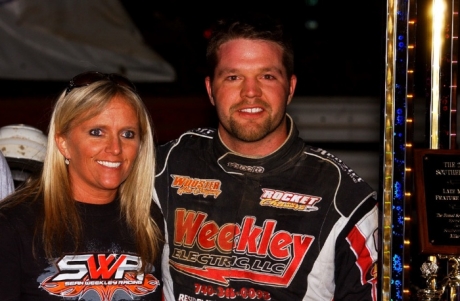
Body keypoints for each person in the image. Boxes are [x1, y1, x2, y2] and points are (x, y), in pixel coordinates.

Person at [154, 13, 379, 301]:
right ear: (211, 89)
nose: (250, 92)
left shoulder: (345, 198)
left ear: (291, 88)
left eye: (267, 76)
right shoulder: (165, 166)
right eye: (233, 77)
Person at [0, 71, 164, 300]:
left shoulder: (150, 222)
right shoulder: (14, 225)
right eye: (97, 132)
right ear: (63, 143)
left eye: (128, 134)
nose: (115, 148)